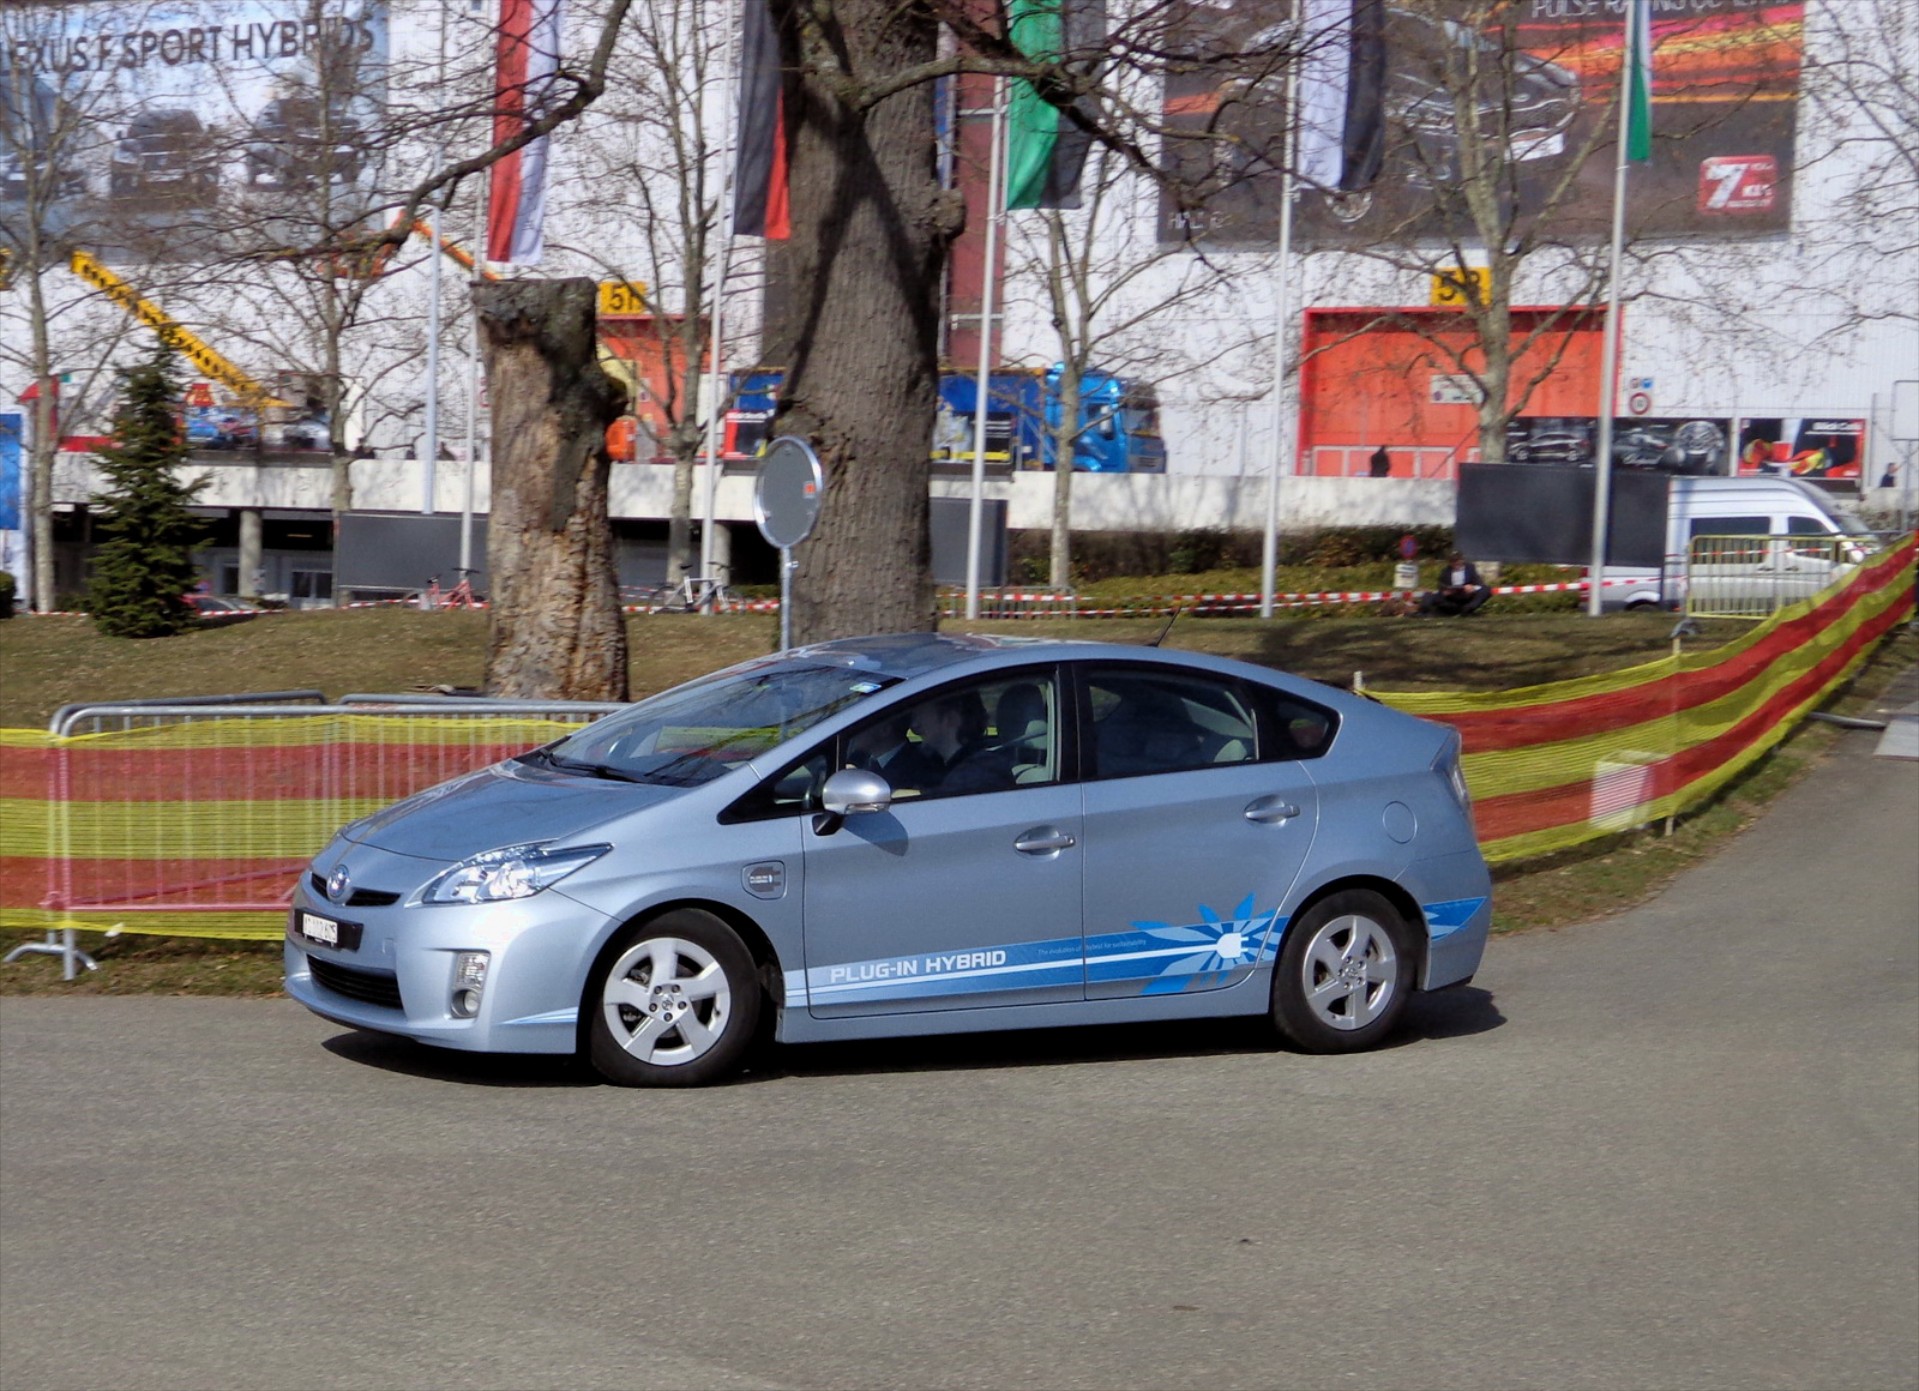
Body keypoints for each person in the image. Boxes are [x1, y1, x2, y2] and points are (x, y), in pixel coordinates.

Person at [1419, 552, 1491, 616]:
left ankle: (1468, 609)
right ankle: (1424, 611)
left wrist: (1472, 587)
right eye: (1452, 561)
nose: (1455, 563)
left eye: (1457, 560)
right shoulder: (1446, 571)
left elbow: (1479, 583)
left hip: (1467, 597)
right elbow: (1441, 585)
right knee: (1429, 595)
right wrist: (1445, 592)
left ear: (1462, 560)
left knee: (1486, 589)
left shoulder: (1470, 568)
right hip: (1452, 599)